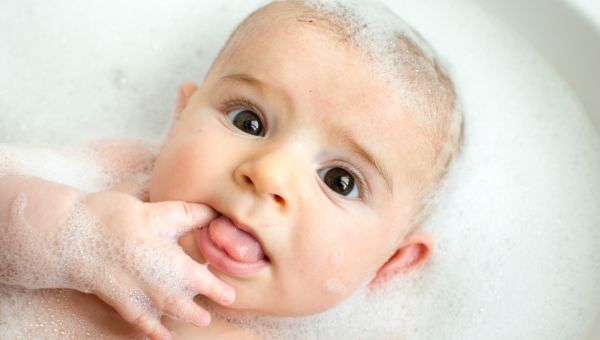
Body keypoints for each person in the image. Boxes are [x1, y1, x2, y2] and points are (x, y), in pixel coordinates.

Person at [0, 0, 463, 338]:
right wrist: (69, 234)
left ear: (389, 264)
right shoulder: (114, 180)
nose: (268, 174)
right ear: (180, 118)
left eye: (339, 181)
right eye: (250, 121)